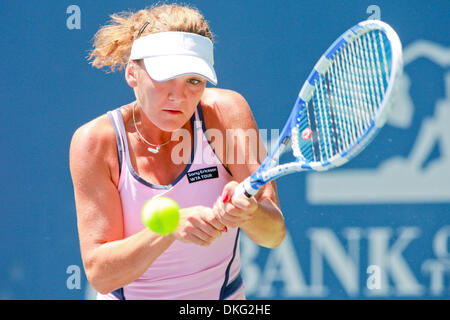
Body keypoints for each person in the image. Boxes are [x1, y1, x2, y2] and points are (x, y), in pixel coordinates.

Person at [69, 3, 286, 300]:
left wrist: (248, 212)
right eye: (164, 78)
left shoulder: (225, 113)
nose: (178, 96)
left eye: (193, 81)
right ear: (132, 73)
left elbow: (273, 235)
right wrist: (168, 230)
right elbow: (101, 275)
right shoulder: (95, 141)